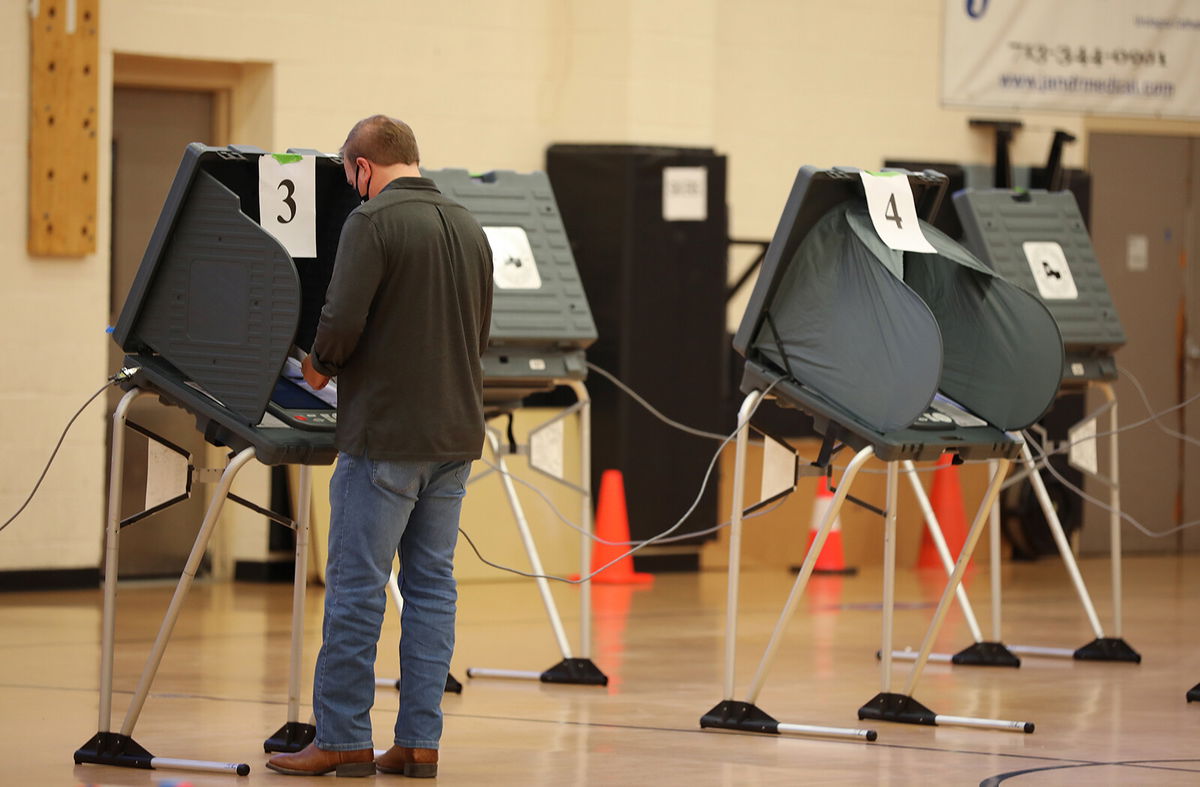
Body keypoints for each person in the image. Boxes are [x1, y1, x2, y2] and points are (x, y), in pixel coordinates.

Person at [267, 115, 493, 778]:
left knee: (357, 588)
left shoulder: (373, 222)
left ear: (363, 168)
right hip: (454, 435)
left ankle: (341, 737)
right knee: (431, 588)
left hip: (387, 436)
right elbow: (477, 330)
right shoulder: (469, 225)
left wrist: (315, 367)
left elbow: (340, 318)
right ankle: (419, 742)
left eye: (351, 178)